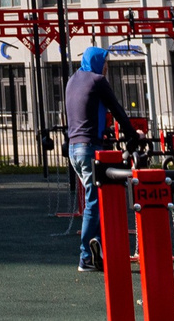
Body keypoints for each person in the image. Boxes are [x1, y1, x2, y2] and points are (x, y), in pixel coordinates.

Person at [62, 46, 132, 272]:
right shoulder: (98, 80)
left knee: (98, 198)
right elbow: (116, 108)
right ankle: (85, 257)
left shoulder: (72, 80)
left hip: (74, 149)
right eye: (106, 63)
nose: (106, 68)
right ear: (98, 62)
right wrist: (134, 135)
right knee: (94, 201)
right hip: (89, 146)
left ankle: (98, 247)